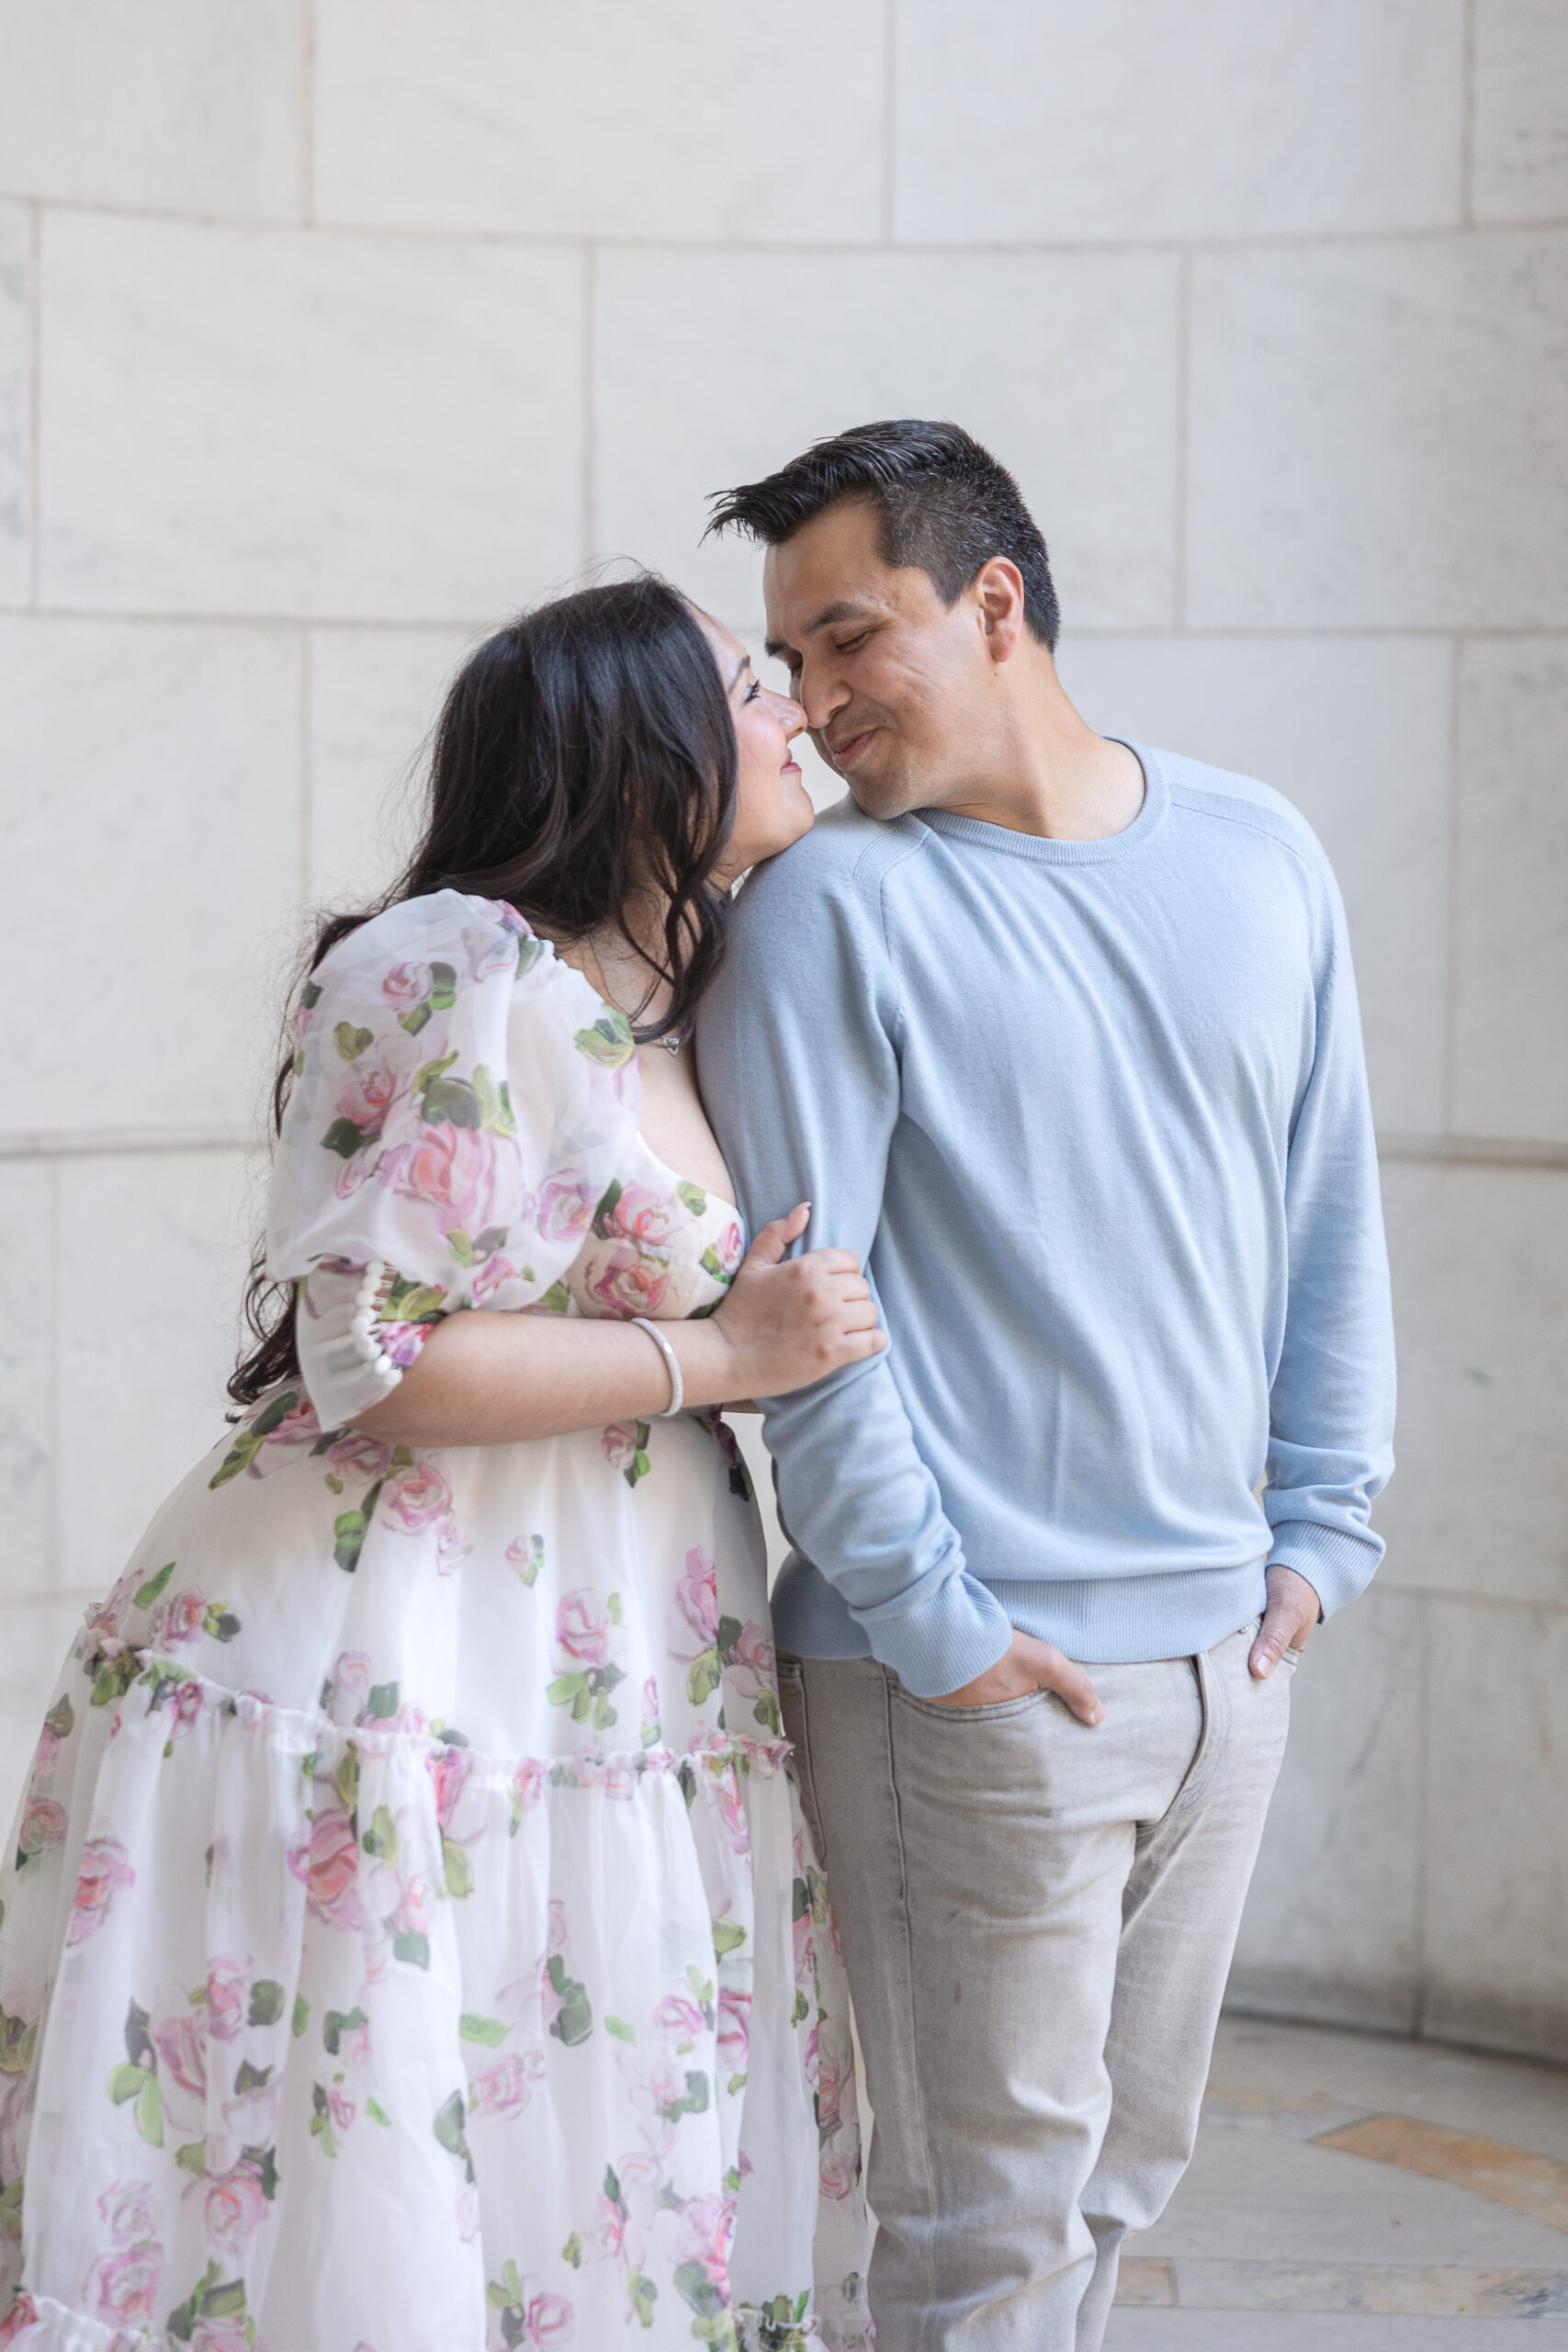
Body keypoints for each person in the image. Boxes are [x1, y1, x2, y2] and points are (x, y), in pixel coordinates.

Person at [0, 575, 876, 2352]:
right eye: (752, 683)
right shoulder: (456, 970)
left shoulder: (697, 990)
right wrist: (725, 1354)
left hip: (623, 1650)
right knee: (374, 2152)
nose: (792, 710)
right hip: (395, 1649)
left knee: (582, 2144)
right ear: (643, 746)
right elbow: (368, 1352)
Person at [696, 420, 1397, 2350]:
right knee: (978, 2228)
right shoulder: (824, 914)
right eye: (794, 665)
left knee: (1114, 2181)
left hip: (1218, 1665)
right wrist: (937, 1629)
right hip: (964, 1684)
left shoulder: (1258, 853)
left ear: (989, 599)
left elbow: (1323, 1211)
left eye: (850, 641)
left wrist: (1320, 1532)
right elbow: (805, 1324)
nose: (817, 703)